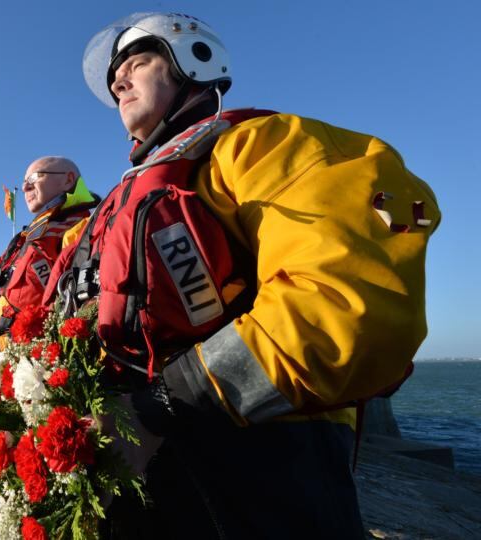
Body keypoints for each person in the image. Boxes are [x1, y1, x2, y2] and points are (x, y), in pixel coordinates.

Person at [51, 12, 440, 538]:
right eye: (115, 73)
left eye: (137, 63)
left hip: (262, 472)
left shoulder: (263, 146)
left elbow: (343, 306)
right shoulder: (113, 207)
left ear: (195, 61)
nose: (118, 80)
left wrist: (163, 403)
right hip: (136, 465)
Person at [0, 156, 98, 361]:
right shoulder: (34, 234)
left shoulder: (82, 230)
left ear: (68, 180)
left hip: (34, 362)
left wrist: (12, 350)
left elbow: (79, 311)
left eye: (33, 177)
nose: (24, 187)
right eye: (23, 182)